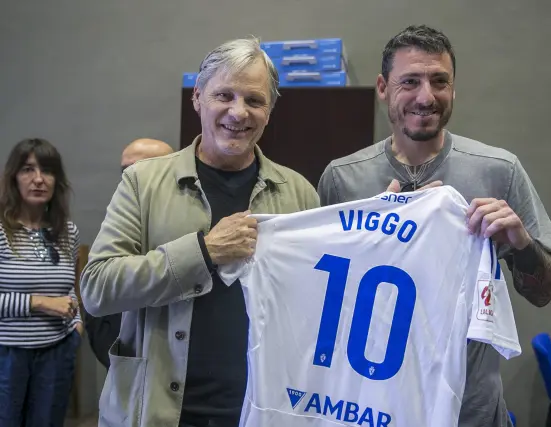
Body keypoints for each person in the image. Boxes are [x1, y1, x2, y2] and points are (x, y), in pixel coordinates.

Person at [317, 25, 551, 427]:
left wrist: (521, 244)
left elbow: (545, 292)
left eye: (439, 82)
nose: (425, 97)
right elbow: (322, 302)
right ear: (383, 87)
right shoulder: (343, 179)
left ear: (454, 89)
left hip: (470, 410)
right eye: (410, 82)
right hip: (372, 406)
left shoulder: (498, 170)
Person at [80, 37, 320, 427]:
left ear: (270, 110)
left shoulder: (299, 193)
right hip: (156, 412)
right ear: (197, 98)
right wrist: (204, 252)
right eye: (224, 95)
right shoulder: (144, 183)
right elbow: (97, 288)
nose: (238, 112)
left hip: (259, 411)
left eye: (255, 100)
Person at [0, 138, 83, 427]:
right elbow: (50, 299)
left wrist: (77, 326)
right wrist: (38, 302)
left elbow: (69, 287)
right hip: (7, 355)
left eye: (47, 171)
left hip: (57, 352)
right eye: (27, 170)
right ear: (13, 178)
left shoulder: (66, 231)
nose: (38, 179)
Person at [83, 138, 174, 369]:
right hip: (121, 353)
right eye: (127, 171)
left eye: (146, 169)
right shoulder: (117, 224)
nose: (133, 179)